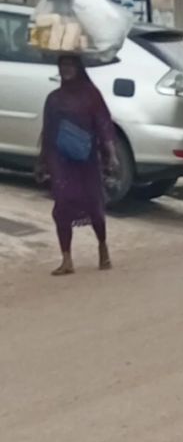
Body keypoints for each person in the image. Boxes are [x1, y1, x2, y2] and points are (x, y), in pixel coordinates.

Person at [41, 54, 116, 276]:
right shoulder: (53, 99)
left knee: (94, 205)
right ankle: (66, 259)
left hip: (86, 160)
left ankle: (103, 248)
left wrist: (111, 154)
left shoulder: (91, 95)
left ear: (78, 68)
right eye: (62, 65)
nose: (66, 69)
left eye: (70, 65)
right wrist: (42, 161)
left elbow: (103, 124)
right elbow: (47, 132)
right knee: (62, 206)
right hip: (61, 161)